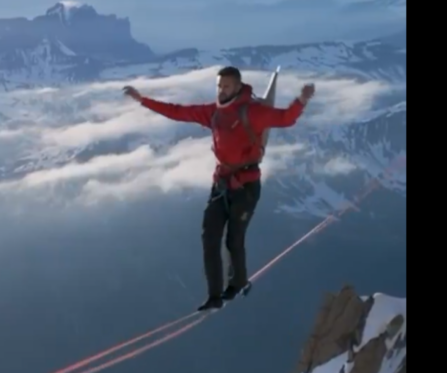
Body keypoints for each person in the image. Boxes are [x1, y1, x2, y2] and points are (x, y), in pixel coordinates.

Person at [123, 66, 315, 311]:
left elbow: (285, 119)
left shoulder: (252, 112)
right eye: (219, 86)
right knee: (209, 238)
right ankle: (215, 296)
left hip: (245, 187)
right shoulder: (214, 112)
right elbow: (179, 112)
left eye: (226, 86)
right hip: (222, 184)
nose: (221, 91)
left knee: (234, 240)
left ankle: (237, 285)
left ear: (237, 87)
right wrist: (143, 101)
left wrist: (301, 100)